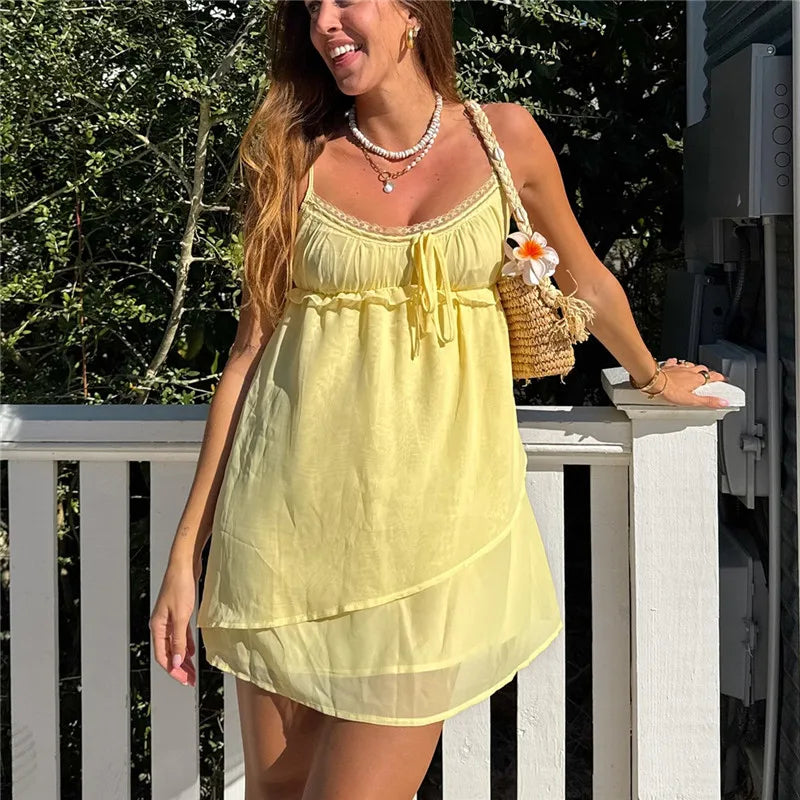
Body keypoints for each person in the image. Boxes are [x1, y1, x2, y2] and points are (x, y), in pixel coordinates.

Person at [149, 1, 729, 798]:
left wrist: (653, 376)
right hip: (284, 531)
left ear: (412, 13)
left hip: (432, 545)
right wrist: (186, 556)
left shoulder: (504, 139)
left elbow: (581, 276)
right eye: (310, 6)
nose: (324, 21)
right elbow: (248, 354)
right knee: (274, 794)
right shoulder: (294, 156)